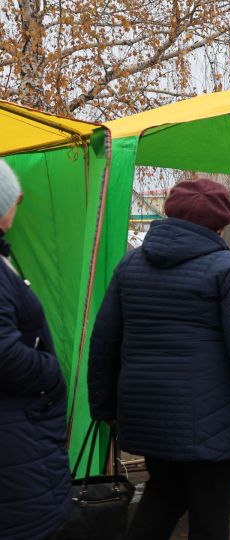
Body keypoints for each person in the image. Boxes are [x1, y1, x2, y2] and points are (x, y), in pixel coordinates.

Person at [88, 178, 230, 540]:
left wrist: (105, 407)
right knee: (208, 520)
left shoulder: (130, 266)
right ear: (221, 225)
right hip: (211, 421)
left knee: (163, 497)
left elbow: (105, 341)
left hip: (148, 413)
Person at [0, 159, 72, 539]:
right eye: (13, 197)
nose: (19, 200)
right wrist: (49, 370)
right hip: (15, 443)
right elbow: (3, 354)